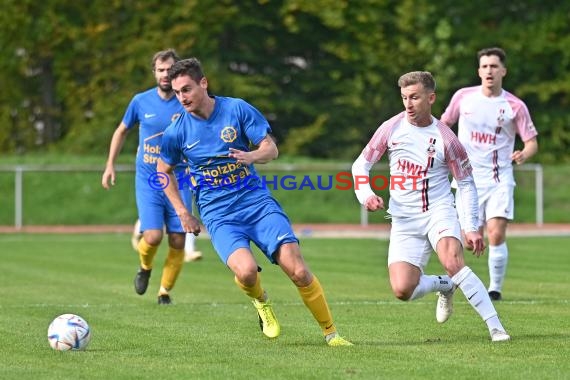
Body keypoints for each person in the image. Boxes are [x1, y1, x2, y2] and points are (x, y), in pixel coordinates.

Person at [156, 57, 352, 346]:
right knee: (246, 272)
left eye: (186, 89)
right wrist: (183, 212)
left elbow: (270, 149)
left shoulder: (236, 109)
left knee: (298, 270)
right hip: (219, 215)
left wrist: (251, 156)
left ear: (204, 83)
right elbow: (163, 171)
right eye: (176, 92)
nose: (181, 97)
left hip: (257, 204)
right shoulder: (177, 131)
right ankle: (262, 303)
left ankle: (332, 334)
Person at [351, 71, 510, 342]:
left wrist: (471, 228)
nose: (408, 104)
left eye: (414, 97)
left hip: (439, 211)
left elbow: (467, 184)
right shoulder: (391, 128)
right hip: (403, 219)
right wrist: (366, 194)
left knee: (453, 261)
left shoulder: (446, 139)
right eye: (404, 98)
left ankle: (496, 328)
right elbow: (360, 165)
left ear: (431, 98)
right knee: (402, 289)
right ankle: (445, 286)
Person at [441, 47, 538, 301]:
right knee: (467, 238)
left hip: (499, 178)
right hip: (466, 180)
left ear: (503, 71)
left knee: (495, 232)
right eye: (484, 66)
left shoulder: (515, 106)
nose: (489, 71)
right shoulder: (463, 97)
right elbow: (443, 124)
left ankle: (494, 289)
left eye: (494, 66)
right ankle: (456, 285)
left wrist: (523, 154)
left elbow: (531, 142)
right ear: (478, 71)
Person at [102, 49, 193, 305]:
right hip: (149, 180)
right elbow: (121, 131)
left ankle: (164, 292)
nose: (165, 74)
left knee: (178, 238)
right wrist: (110, 164)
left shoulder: (187, 100)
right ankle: (145, 267)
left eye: (170, 69)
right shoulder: (140, 101)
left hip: (181, 179)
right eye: (161, 70)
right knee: (152, 236)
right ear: (154, 72)